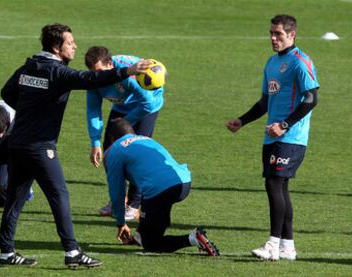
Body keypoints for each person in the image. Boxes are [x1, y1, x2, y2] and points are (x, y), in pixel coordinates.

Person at [0, 23, 150, 268]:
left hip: (17, 143)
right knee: (59, 196)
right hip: (39, 146)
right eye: (70, 43)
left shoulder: (27, 67)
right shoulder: (57, 72)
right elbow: (89, 78)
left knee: (15, 199)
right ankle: (72, 252)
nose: (75, 46)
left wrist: (31, 110)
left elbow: (7, 93)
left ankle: (6, 252)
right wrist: (127, 71)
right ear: (57, 48)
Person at [225, 14, 319, 261]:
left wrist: (285, 125)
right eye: (271, 33)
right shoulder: (271, 63)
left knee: (274, 184)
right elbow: (265, 101)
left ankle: (272, 245)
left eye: (278, 34)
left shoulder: (301, 62)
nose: (273, 38)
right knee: (280, 187)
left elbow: (311, 99)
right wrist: (242, 121)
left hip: (291, 136)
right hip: (272, 136)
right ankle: (288, 247)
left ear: (292, 35)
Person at [104, 118, 219, 256]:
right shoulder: (146, 139)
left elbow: (117, 191)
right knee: (152, 212)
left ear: (111, 138)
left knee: (151, 244)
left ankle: (193, 238)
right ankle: (141, 236)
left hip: (161, 189)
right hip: (183, 182)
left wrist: (121, 222)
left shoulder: (115, 149)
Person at [84, 46, 165, 221]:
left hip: (146, 106)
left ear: (111, 65)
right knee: (110, 152)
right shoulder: (94, 80)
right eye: (93, 73)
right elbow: (93, 110)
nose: (98, 77)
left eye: (99, 71)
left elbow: (148, 104)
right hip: (121, 106)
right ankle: (118, 199)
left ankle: (134, 204)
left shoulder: (131, 76)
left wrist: (124, 122)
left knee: (135, 152)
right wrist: (95, 142)